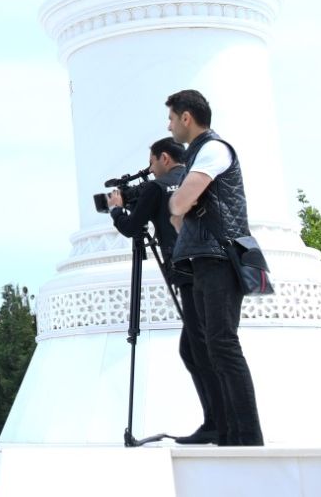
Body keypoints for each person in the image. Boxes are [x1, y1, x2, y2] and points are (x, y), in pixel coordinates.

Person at [167, 89, 265, 446]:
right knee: (209, 347)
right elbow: (181, 213)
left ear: (186, 117)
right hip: (206, 259)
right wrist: (181, 208)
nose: (169, 126)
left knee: (222, 344)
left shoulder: (213, 149)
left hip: (220, 258)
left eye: (172, 118)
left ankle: (248, 438)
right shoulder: (199, 153)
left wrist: (179, 204)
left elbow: (179, 204)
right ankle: (227, 433)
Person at [106, 137, 215, 442]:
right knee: (195, 347)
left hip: (183, 269)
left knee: (197, 348)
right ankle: (215, 420)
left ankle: (217, 422)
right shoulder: (193, 179)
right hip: (208, 267)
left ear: (164, 158)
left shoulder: (156, 188)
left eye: (152, 162)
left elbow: (131, 228)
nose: (151, 169)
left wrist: (117, 210)